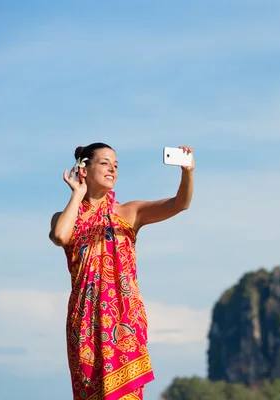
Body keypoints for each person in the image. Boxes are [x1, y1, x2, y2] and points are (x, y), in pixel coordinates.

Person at [49, 142, 194, 400]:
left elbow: (179, 204)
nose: (112, 170)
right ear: (83, 169)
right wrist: (76, 194)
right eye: (104, 163)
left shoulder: (129, 212)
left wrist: (187, 172)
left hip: (124, 322)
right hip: (84, 323)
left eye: (115, 165)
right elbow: (61, 236)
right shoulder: (64, 217)